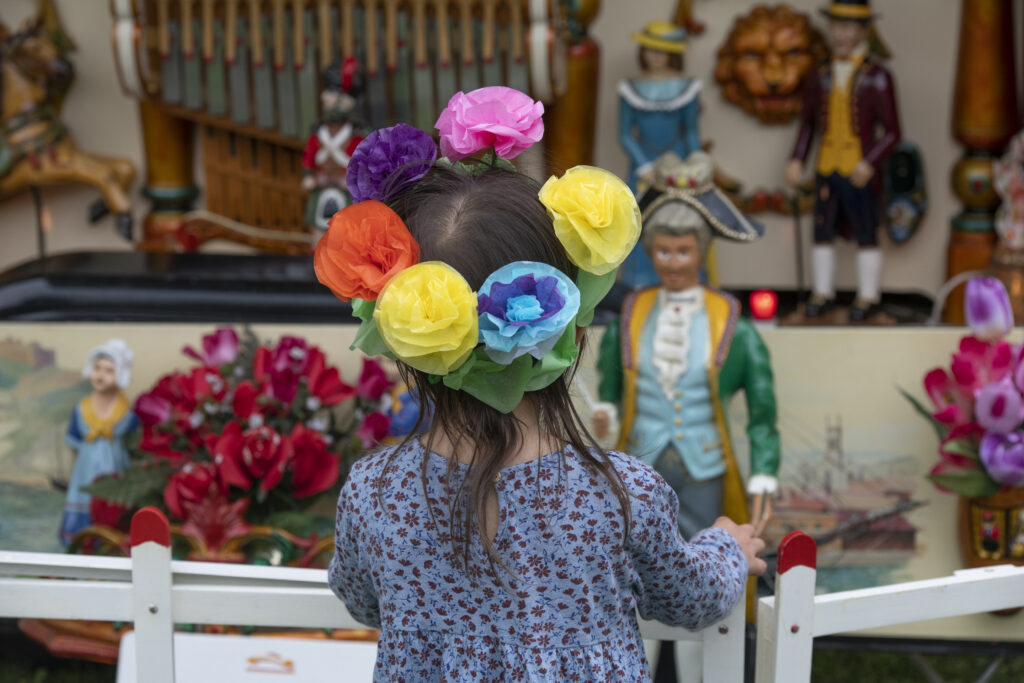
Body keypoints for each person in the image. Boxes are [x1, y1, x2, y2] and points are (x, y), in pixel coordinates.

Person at [319, 87, 765, 681]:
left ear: (408, 342)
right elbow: (687, 596)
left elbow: (361, 598)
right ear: (568, 332)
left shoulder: (376, 493)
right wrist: (729, 550)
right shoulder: (620, 493)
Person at [594, 151, 780, 540]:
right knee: (638, 553)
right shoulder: (630, 315)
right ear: (649, 250)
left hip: (704, 464)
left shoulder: (732, 325)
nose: (673, 263)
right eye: (663, 251)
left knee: (703, 549)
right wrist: (606, 413)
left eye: (683, 252)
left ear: (701, 251)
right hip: (640, 461)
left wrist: (764, 472)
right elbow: (609, 386)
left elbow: (763, 410)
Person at [784, 0, 901, 322]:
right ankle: (822, 292)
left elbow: (892, 132)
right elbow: (808, 123)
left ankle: (868, 296)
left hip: (857, 170)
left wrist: (870, 162)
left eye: (848, 27)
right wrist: (797, 159)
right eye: (836, 26)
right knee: (822, 230)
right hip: (826, 166)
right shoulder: (819, 74)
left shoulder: (878, 77)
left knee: (866, 231)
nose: (840, 34)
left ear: (864, 30)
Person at [619, 20, 702, 290]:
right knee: (640, 222)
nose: (655, 56)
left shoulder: (687, 88)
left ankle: (682, 279)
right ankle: (640, 284)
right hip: (642, 169)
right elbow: (624, 134)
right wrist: (643, 165)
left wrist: (696, 164)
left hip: (678, 167)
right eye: (650, 49)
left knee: (679, 219)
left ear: (673, 54)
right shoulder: (629, 88)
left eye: (661, 50)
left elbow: (690, 131)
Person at [59, 338, 138, 546]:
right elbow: (74, 442)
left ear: (120, 374)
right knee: (83, 501)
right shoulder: (81, 409)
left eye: (109, 370)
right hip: (84, 472)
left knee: (112, 511)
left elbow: (136, 446)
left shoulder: (126, 413)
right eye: (97, 368)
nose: (101, 375)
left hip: (115, 470)